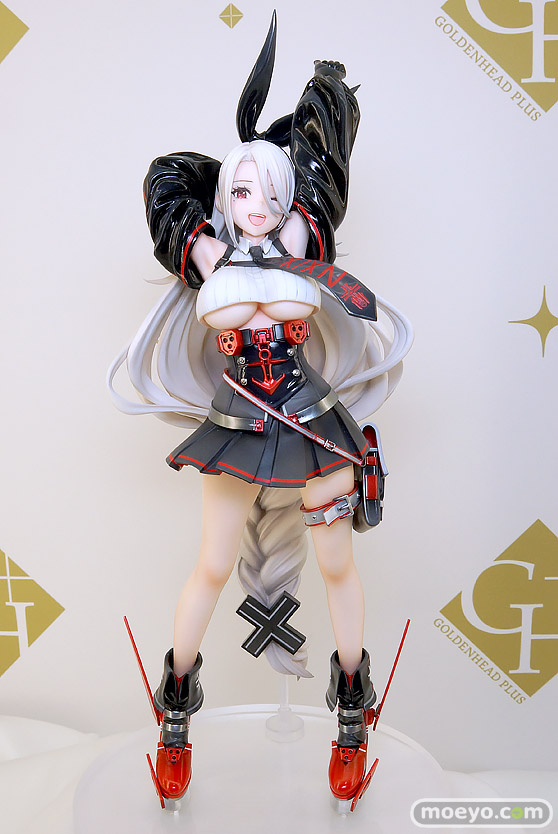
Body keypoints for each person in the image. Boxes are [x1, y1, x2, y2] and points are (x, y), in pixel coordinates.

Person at [108, 19, 412, 810]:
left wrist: (323, 92)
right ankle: (176, 709)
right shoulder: (207, 253)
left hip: (313, 422)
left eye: (271, 190)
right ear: (222, 198)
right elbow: (164, 178)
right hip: (238, 424)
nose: (259, 204)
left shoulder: (304, 235)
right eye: (243, 190)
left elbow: (322, 154)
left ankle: (352, 707)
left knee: (337, 564)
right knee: (211, 566)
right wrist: (205, 243)